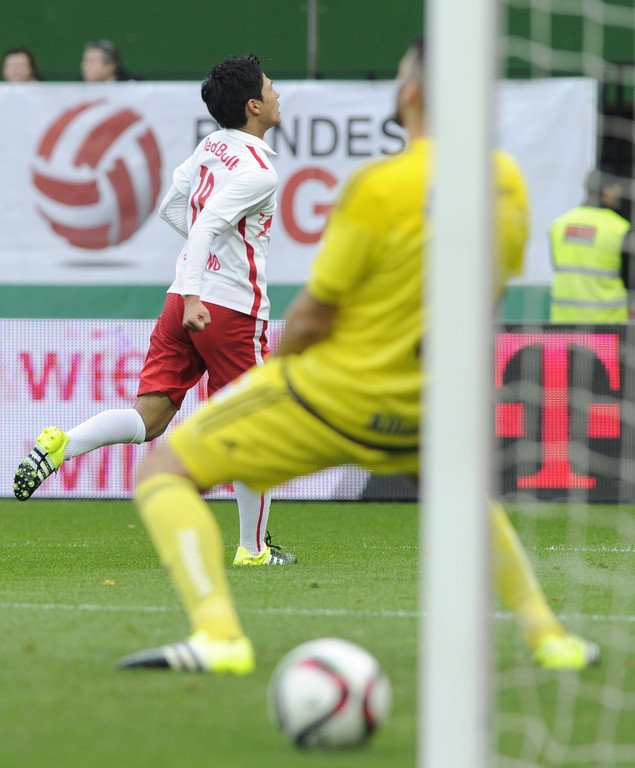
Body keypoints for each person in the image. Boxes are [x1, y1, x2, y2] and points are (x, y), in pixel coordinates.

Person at [65, 37, 602, 674]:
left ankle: (220, 633)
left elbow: (318, 311)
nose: (278, 92)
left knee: (164, 471)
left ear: (408, 95)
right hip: (427, 397)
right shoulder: (505, 182)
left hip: (335, 394)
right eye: (271, 85)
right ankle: (548, 636)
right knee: (466, 502)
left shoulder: (378, 185)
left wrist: (277, 372)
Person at [14, 54, 296, 567]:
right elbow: (206, 224)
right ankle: (253, 549)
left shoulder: (211, 146)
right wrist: (200, 290)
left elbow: (172, 207)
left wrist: (194, 281)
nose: (278, 94)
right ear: (254, 106)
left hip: (180, 298)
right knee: (255, 426)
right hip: (228, 310)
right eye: (271, 87)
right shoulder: (259, 172)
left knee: (151, 417)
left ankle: (62, 445)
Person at [549, 170, 633, 322]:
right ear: (606, 192)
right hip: (608, 326)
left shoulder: (559, 225)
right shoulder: (619, 229)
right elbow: (630, 278)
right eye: (616, 189)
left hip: (563, 323)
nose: (619, 194)